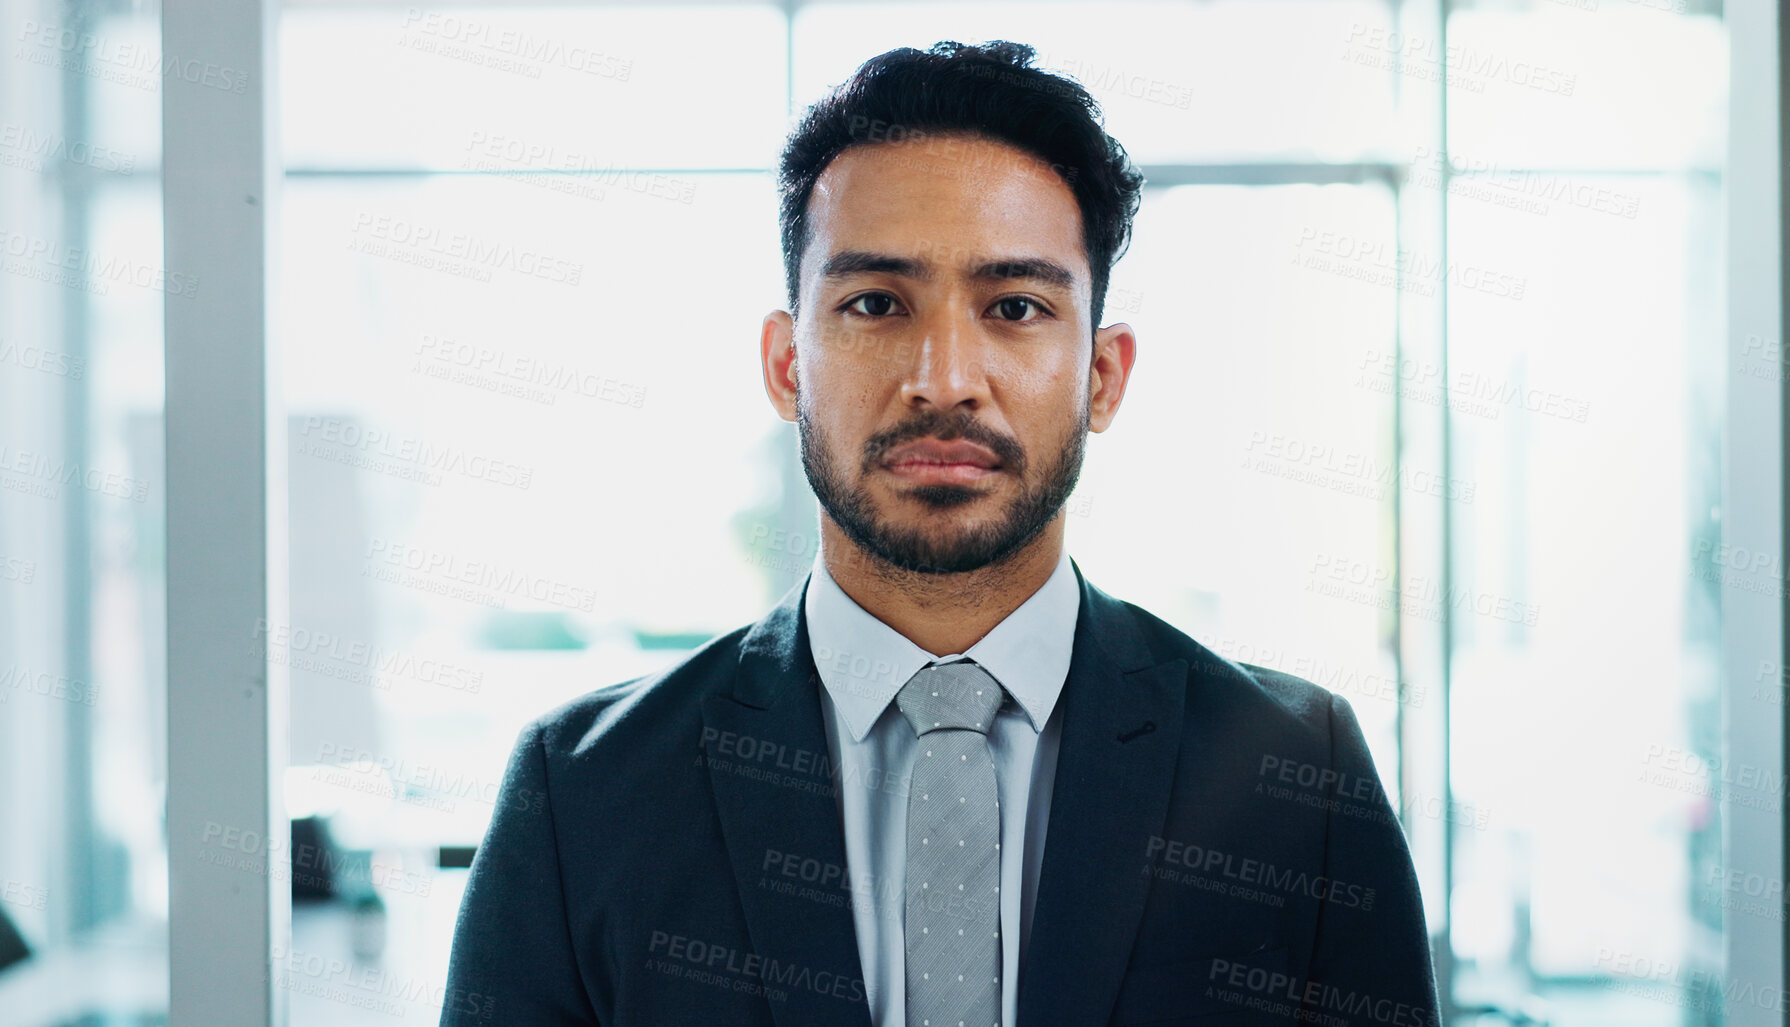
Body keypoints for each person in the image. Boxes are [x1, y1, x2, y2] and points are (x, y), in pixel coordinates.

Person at [441, 39, 1440, 1027]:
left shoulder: (1297, 779)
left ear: (1103, 376)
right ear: (789, 365)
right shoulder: (585, 793)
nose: (945, 377)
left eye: (1014, 306)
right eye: (876, 303)